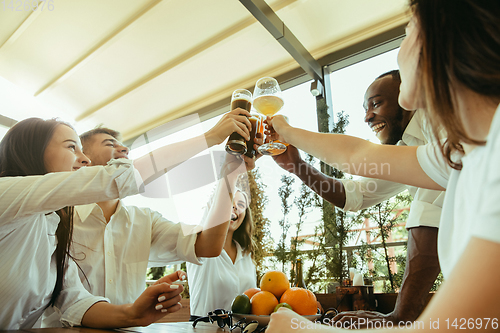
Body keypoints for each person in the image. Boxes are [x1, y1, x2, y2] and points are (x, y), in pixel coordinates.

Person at [267, 0, 500, 331]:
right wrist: (290, 142)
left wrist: (299, 328)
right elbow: (355, 159)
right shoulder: (461, 152)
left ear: (439, 37)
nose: (400, 47)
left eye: (407, 31)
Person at [0, 109, 250, 329]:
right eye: (71, 147)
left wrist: (134, 312)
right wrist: (212, 137)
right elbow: (117, 179)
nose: (84, 159)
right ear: (32, 151)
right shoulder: (7, 196)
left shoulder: (53, 226)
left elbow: (74, 299)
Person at [272, 70, 442, 326]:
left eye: (376, 103)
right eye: (366, 108)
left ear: (407, 94)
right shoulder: (408, 149)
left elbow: (429, 215)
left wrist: (398, 318)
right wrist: (297, 166)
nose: (367, 116)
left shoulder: (439, 122)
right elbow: (356, 196)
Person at [186, 189, 257, 319]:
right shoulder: (200, 246)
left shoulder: (246, 254)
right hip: (205, 329)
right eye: (229, 202)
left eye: (241, 205)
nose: (235, 207)